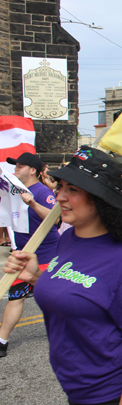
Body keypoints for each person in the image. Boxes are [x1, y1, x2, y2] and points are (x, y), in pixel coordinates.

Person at [3, 146, 122, 405]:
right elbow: (77, 293)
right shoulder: (69, 238)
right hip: (75, 385)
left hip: (110, 393)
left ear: (99, 199)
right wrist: (35, 275)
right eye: (61, 185)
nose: (59, 195)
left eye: (72, 189)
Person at [0, 152, 59, 357]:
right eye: (15, 166)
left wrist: (32, 203)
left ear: (32, 170)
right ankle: (1, 341)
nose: (15, 169)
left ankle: (68, 334)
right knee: (15, 298)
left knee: (53, 299)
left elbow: (55, 220)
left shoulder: (42, 192)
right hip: (23, 254)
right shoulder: (15, 191)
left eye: (19, 166)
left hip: (46, 255)